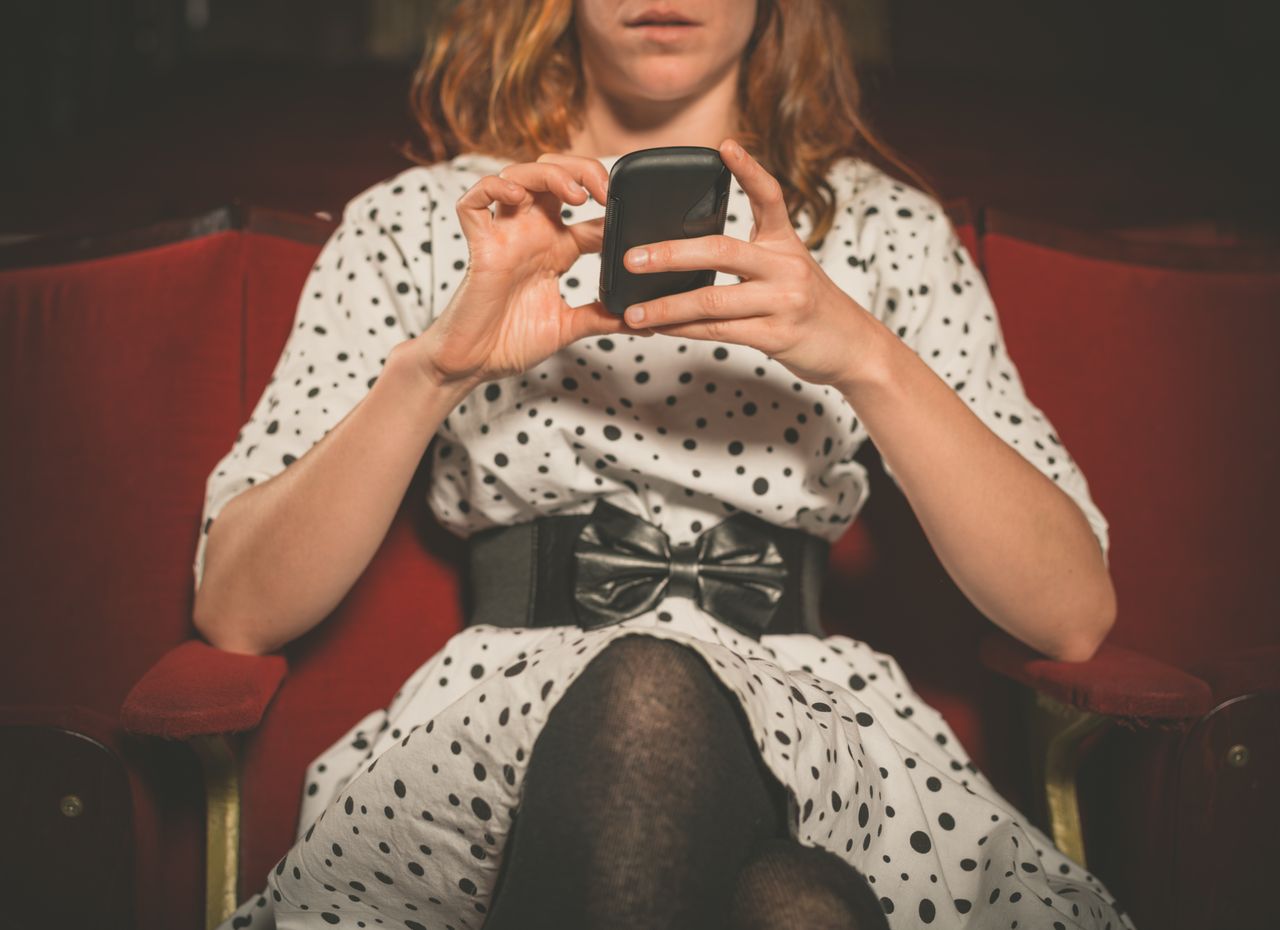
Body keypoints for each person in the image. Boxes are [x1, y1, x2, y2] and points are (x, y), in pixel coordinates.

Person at [198, 1, 1134, 928]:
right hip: (509, 719)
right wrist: (436, 370)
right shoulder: (425, 221)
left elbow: (1070, 613)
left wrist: (864, 354)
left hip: (821, 724)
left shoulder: (888, 229)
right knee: (787, 900)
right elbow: (239, 608)